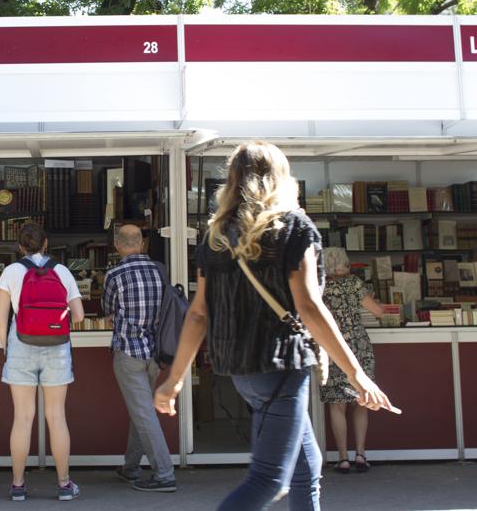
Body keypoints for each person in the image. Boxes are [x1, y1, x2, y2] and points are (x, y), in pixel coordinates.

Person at [153, 142, 395, 511]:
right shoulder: (295, 228)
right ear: (282, 178)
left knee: (307, 466)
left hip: (237, 367)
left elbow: (198, 313)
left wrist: (175, 379)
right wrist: (357, 374)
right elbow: (310, 308)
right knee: (268, 479)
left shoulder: (215, 236)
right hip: (281, 364)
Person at [0, 223, 85, 502]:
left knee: (22, 417)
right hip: (56, 348)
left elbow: (0, 320)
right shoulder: (62, 272)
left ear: (20, 246)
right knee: (56, 416)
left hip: (21, 345)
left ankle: (19, 485)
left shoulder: (11, 272)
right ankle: (63, 484)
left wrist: (6, 349)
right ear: (46, 244)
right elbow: (79, 315)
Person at [101, 223, 176, 492]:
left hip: (128, 352)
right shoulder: (160, 270)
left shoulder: (114, 275)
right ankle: (130, 467)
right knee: (140, 409)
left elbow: (107, 310)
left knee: (143, 412)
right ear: (142, 244)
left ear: (117, 245)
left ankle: (165, 473)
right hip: (155, 354)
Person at [319, 247, 382, 474]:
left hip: (332, 347)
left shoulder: (320, 286)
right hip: (358, 345)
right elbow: (378, 311)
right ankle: (360, 455)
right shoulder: (354, 283)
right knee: (362, 401)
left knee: (338, 405)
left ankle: (343, 458)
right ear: (343, 263)